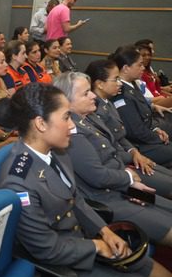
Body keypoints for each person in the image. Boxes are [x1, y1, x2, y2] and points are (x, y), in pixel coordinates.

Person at [0, 83, 172, 277]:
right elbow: (46, 249)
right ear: (40, 123)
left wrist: (104, 231)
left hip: (87, 239)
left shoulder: (56, 150)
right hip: (65, 262)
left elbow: (75, 198)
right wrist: (96, 247)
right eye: (66, 117)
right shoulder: (18, 181)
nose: (72, 125)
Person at [54, 72, 172, 248]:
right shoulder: (72, 132)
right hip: (109, 198)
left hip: (123, 187)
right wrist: (128, 179)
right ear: (66, 101)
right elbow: (97, 176)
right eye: (86, 93)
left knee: (167, 208)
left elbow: (114, 149)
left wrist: (129, 183)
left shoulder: (89, 118)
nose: (93, 95)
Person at [85, 59, 172, 197]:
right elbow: (110, 146)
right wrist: (133, 157)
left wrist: (135, 153)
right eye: (115, 79)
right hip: (121, 164)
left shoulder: (107, 102)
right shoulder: (95, 110)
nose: (119, 83)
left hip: (130, 153)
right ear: (100, 84)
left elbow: (120, 136)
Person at [109, 46, 172, 168]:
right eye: (139, 65)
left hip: (148, 137)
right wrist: (157, 137)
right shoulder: (121, 94)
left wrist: (155, 129)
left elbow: (145, 114)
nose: (143, 68)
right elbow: (135, 131)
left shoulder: (132, 85)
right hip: (141, 146)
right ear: (126, 68)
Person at [136, 43, 172, 108]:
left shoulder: (149, 70)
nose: (147, 57)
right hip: (153, 102)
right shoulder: (138, 74)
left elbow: (158, 90)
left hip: (159, 97)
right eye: (143, 55)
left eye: (149, 55)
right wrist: (163, 97)